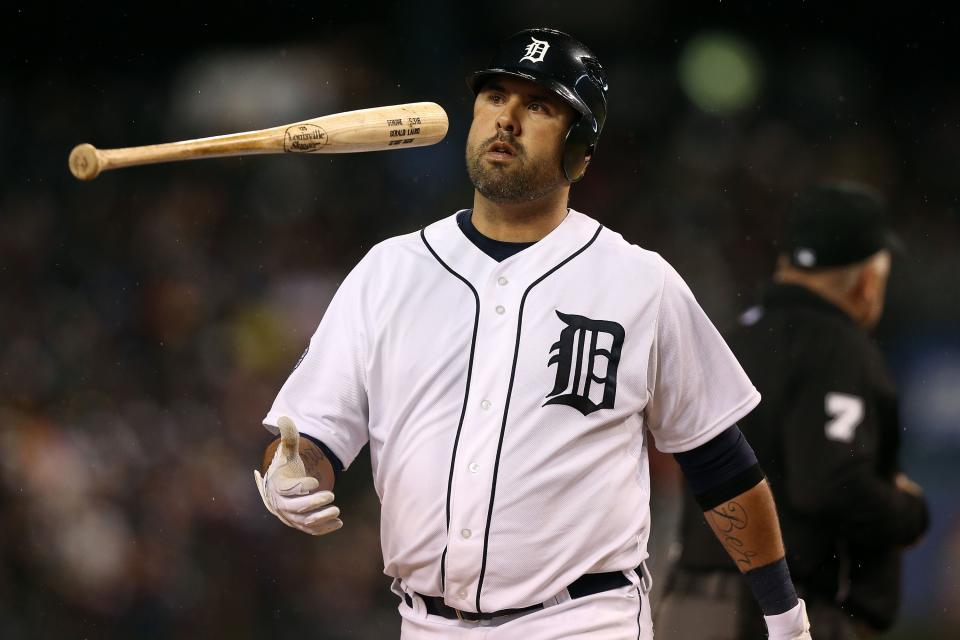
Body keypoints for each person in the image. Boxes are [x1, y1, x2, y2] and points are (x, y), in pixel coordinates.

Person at [254, 28, 811, 639]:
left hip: (582, 621)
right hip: (424, 624)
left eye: (538, 106)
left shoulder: (638, 283)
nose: (507, 120)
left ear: (581, 152)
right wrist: (290, 472)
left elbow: (719, 462)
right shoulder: (389, 271)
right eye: (495, 98)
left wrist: (786, 619)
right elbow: (313, 436)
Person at [656, 182, 930, 639]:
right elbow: (830, 483)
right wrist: (908, 510)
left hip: (689, 601)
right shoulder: (837, 346)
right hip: (779, 611)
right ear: (867, 281)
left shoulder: (730, 336)